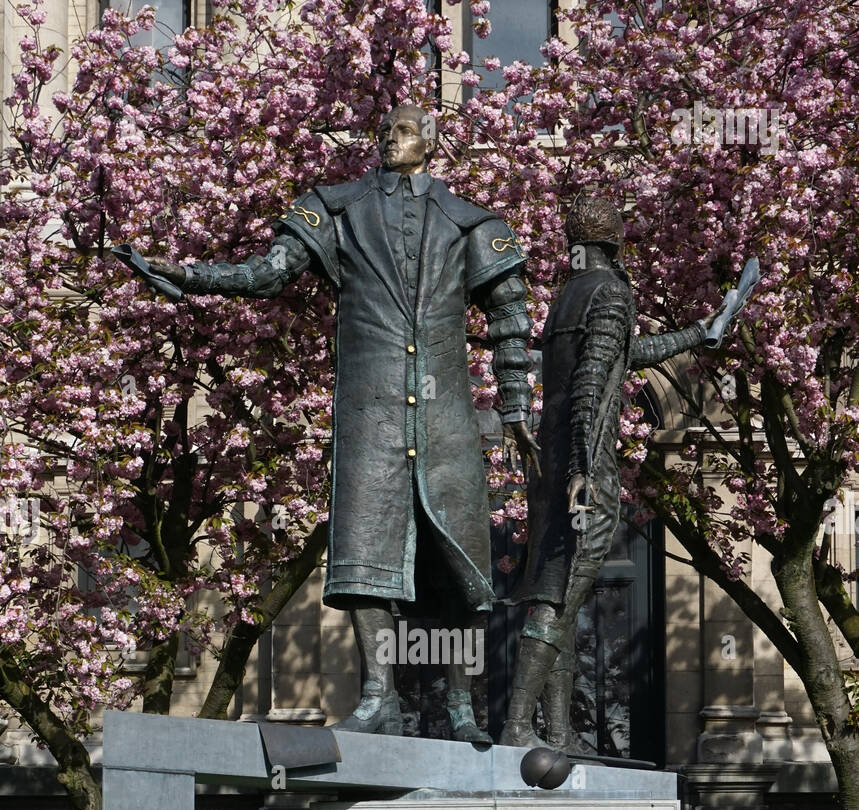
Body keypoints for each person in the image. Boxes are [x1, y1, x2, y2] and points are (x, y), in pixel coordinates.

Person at [140, 105, 538, 742]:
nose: (389, 136)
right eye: (385, 129)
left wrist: (516, 408)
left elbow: (510, 320)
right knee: (366, 552)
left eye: (404, 129)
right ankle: (378, 696)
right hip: (371, 409)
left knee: (455, 562)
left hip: (447, 417)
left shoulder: (473, 223)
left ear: (431, 143)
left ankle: (461, 710)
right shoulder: (337, 208)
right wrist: (190, 277)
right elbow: (269, 272)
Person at [500, 191, 725, 751]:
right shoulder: (612, 292)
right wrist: (584, 466)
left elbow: (623, 352)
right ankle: (518, 727)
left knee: (560, 594)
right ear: (614, 242)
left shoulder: (566, 298)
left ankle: (556, 731)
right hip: (585, 468)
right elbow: (594, 383)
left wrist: (700, 332)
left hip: (552, 469)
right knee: (559, 599)